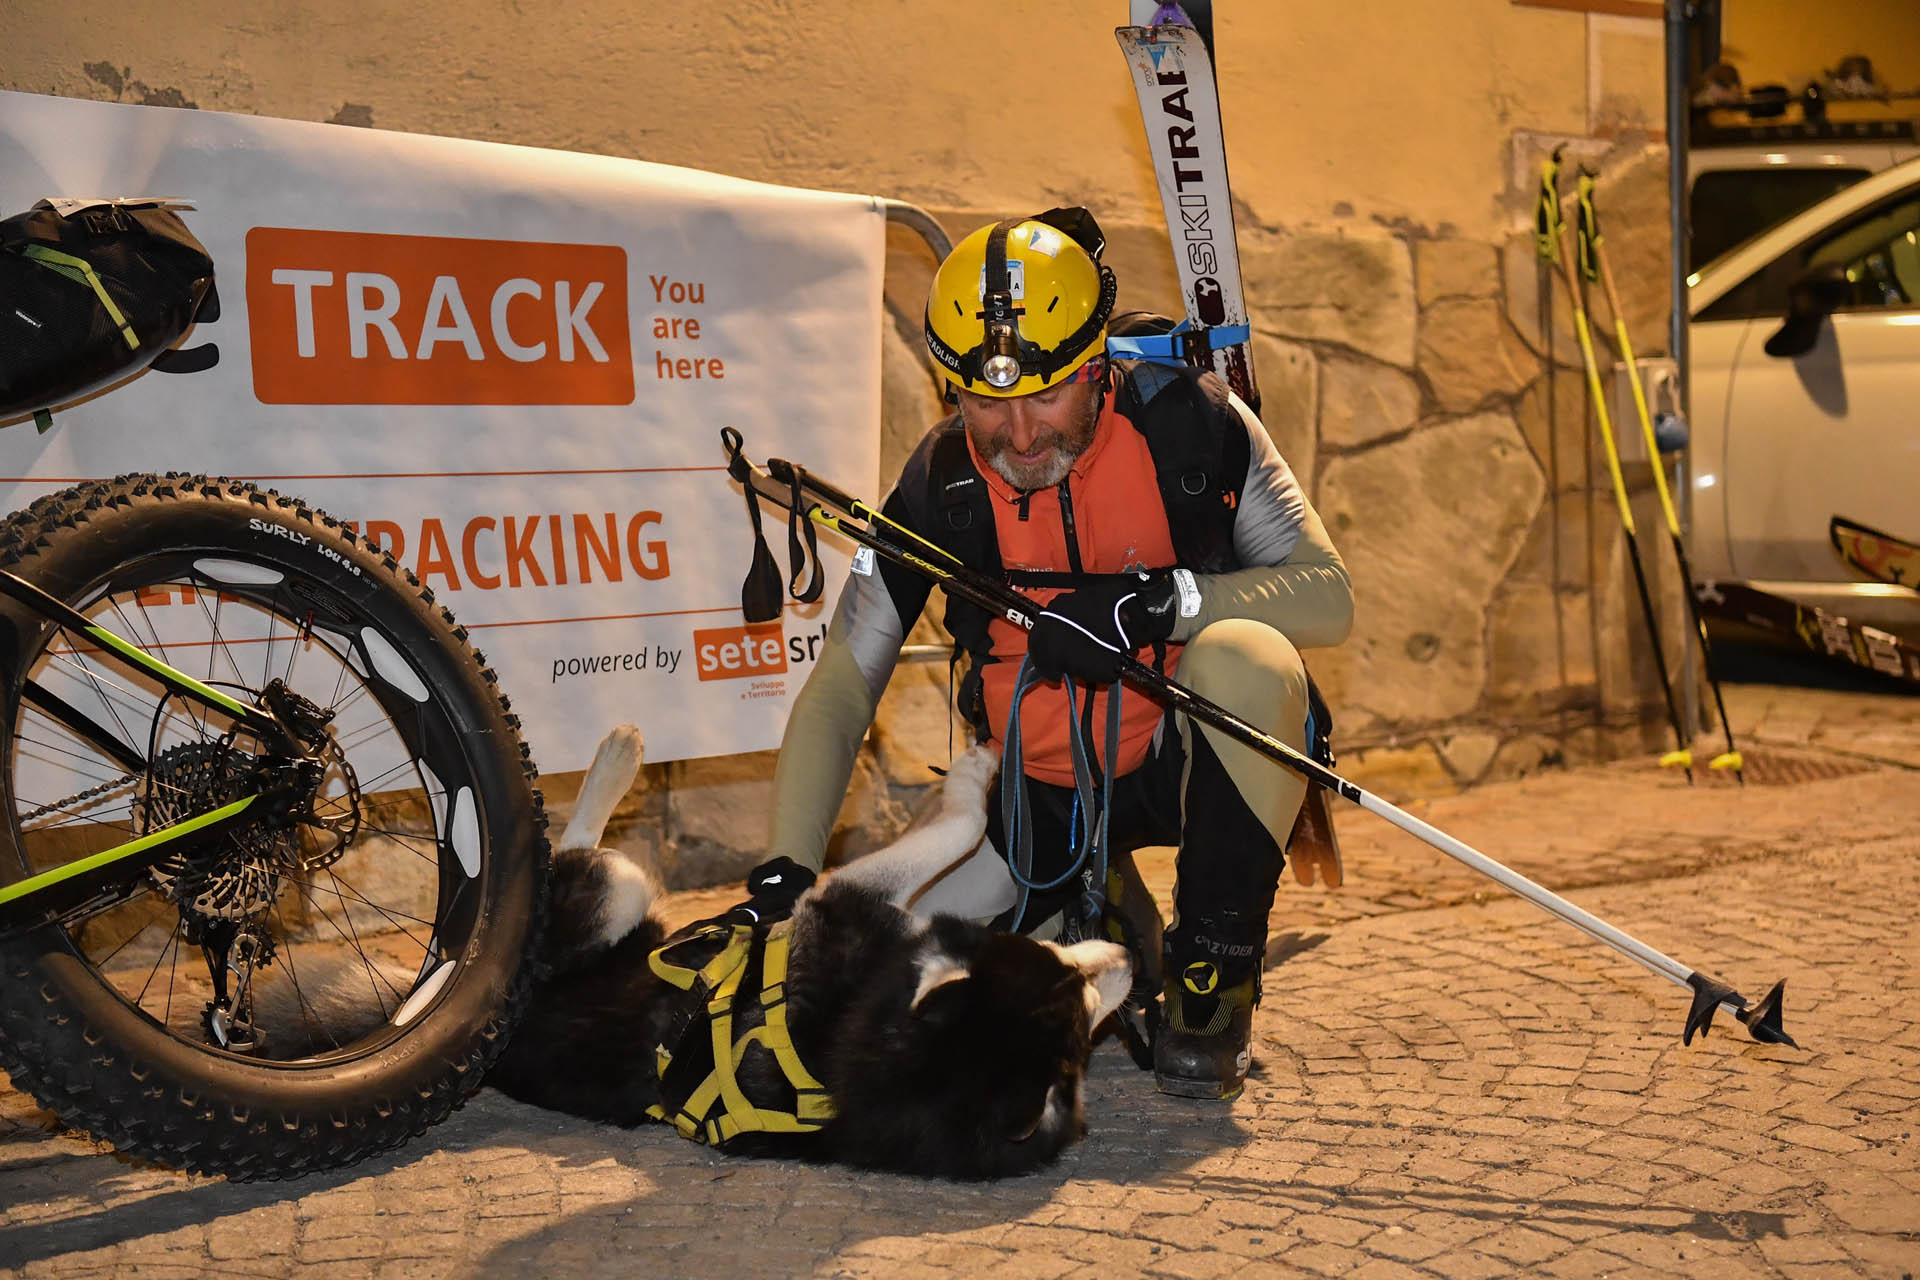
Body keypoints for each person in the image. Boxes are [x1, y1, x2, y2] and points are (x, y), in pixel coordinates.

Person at [767, 206, 1352, 1099]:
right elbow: (845, 682)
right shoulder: (940, 479)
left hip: (1178, 758)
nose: (1020, 434)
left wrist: (1160, 603)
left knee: (1249, 656)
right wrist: (784, 881)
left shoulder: (1191, 427)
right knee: (870, 978)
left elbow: (1327, 594)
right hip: (1036, 793)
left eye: (1046, 395)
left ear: (1095, 368)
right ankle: (1103, 897)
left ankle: (1212, 974)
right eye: (984, 401)